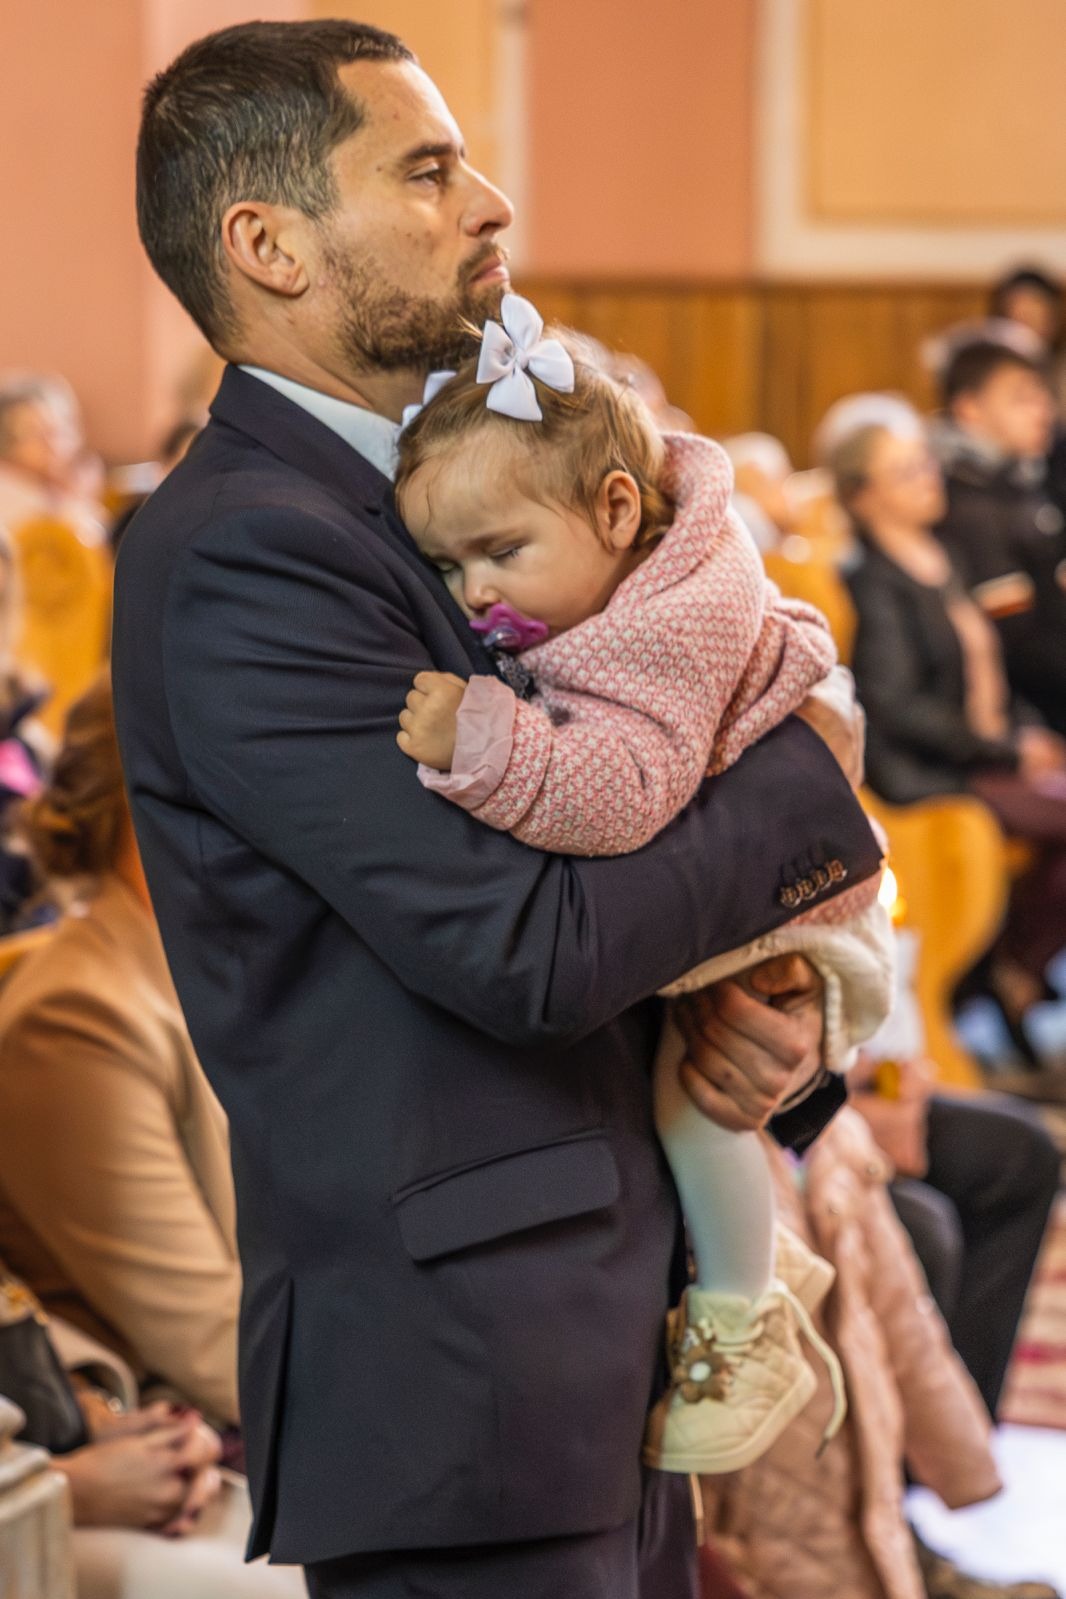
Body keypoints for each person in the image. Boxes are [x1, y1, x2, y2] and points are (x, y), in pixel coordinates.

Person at [113, 21, 882, 1597]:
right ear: (266, 245)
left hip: (588, 1322)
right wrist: (806, 772)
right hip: (461, 1367)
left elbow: (627, 795)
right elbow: (524, 946)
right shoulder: (250, 553)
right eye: (425, 166)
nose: (489, 202)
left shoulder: (441, 485)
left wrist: (762, 1013)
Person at [393, 299, 892, 1473]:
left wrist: (487, 742)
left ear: (617, 508)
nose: (472, 596)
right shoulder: (627, 572)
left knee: (692, 1098)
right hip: (755, 883)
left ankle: (741, 1315)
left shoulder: (657, 630)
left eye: (498, 554)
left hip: (794, 916)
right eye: (449, 566)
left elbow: (624, 793)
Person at [0, 672, 241, 1426]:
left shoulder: (215, 963)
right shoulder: (74, 1020)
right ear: (155, 808)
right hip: (172, 1439)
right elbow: (215, 1344)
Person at [699, 1107, 1059, 1599]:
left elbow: (910, 1327)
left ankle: (902, 1527)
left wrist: (964, 1465)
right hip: (721, 1113)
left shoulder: (837, 1129)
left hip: (817, 1108)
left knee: (1011, 1157)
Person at [835, 417, 1066, 1049]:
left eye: (924, 464)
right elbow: (896, 705)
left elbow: (991, 671)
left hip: (986, 755)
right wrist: (1005, 748)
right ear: (862, 493)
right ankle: (1010, 972)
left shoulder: (944, 555)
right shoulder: (871, 578)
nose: (927, 479)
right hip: (932, 772)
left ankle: (1013, 969)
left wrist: (1025, 732)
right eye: (905, 471)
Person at [932, 339, 1066, 735]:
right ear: (969, 407)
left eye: (1043, 395)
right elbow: (1019, 644)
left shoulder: (1021, 480)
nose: (1043, 410)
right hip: (1030, 717)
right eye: (1021, 398)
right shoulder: (968, 503)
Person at [0, 373, 107, 546]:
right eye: (34, 433)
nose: (52, 445)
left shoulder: (58, 489)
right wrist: (75, 500)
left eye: (59, 431)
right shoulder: (10, 493)